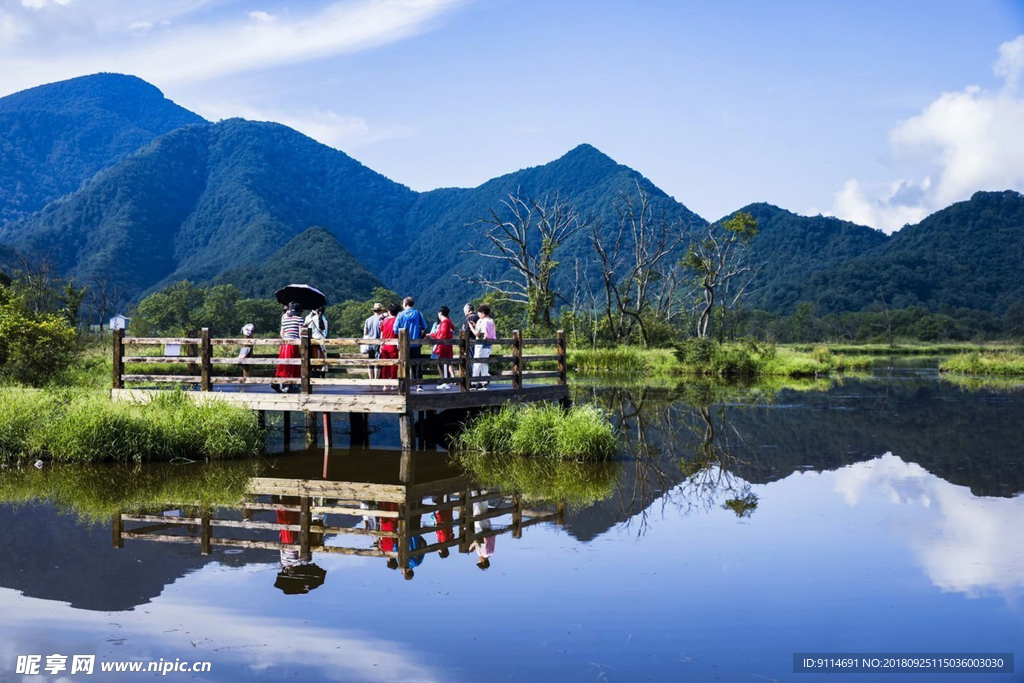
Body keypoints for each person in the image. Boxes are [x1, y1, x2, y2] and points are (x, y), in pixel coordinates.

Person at [393, 297, 429, 390]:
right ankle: (418, 385)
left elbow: (395, 329)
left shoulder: (400, 315)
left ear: (405, 304)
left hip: (403, 344)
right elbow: (425, 326)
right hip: (416, 344)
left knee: (403, 364)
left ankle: (403, 385)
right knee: (416, 364)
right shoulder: (418, 313)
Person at [273, 302, 303, 393]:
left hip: (284, 344)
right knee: (292, 364)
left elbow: (282, 333)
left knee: (283, 365)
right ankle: (290, 385)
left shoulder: (285, 320)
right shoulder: (300, 319)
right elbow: (301, 333)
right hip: (293, 344)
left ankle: (277, 382)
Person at [429, 306, 456, 390]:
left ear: (440, 312)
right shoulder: (449, 322)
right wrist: (432, 335)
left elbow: (442, 335)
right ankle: (446, 381)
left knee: (441, 364)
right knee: (445, 364)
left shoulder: (444, 322)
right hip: (448, 346)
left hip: (442, 346)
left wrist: (432, 335)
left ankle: (445, 382)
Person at [471, 304, 496, 389]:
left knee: (477, 364)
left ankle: (474, 383)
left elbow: (480, 335)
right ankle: (483, 383)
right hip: (488, 346)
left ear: (482, 313)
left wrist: (472, 328)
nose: (478, 315)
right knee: (484, 364)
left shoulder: (483, 321)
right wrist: (476, 326)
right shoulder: (491, 321)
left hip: (481, 346)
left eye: (479, 313)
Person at [378, 304, 400, 386]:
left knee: (385, 365)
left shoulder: (384, 321)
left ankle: (385, 384)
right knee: (394, 365)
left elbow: (382, 333)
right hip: (394, 345)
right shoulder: (397, 321)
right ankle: (393, 383)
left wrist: (381, 345)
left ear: (389, 311)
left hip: (384, 345)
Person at [361, 303, 385, 379]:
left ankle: (371, 379)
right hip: (378, 343)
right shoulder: (382, 320)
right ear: (381, 311)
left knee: (370, 362)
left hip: (369, 343)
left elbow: (365, 333)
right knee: (377, 362)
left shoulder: (368, 320)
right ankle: (376, 379)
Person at [305, 307, 328, 378]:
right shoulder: (325, 320)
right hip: (322, 343)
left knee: (311, 363)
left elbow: (306, 331)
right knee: (322, 362)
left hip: (313, 344)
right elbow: (325, 333)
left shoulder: (310, 320)